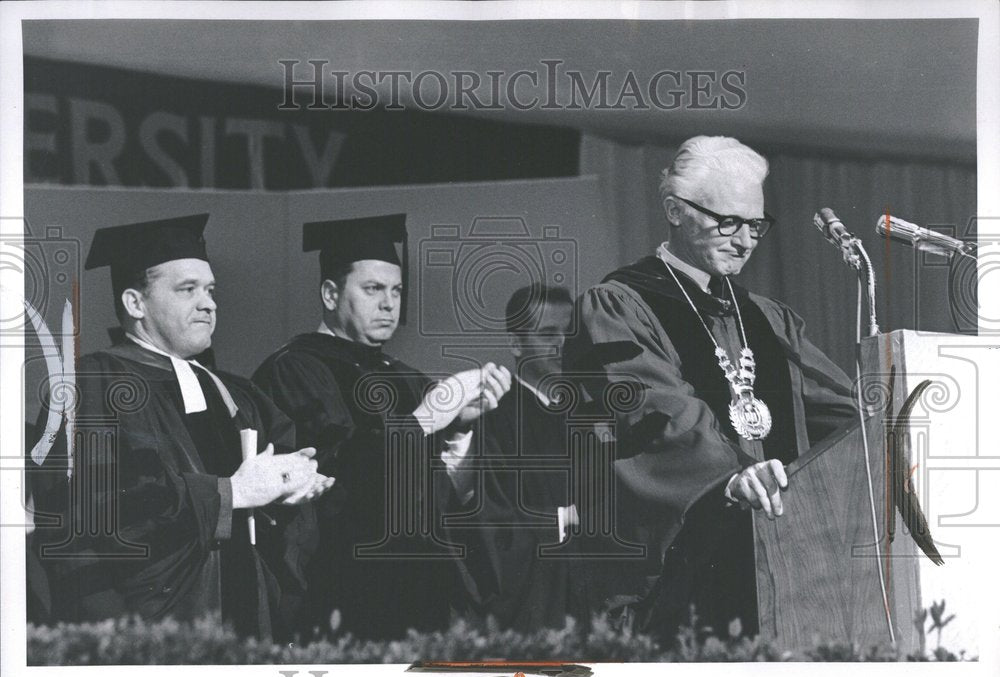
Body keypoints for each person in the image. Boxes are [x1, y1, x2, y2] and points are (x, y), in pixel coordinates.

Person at [565, 136, 856, 640]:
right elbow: (655, 413)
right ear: (675, 211)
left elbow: (846, 411)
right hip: (678, 571)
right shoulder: (619, 306)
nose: (744, 240)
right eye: (728, 221)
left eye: (755, 225)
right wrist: (729, 476)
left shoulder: (768, 319)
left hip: (782, 565)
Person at [29, 214, 334, 641]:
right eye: (187, 289)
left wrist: (294, 484)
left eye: (210, 290)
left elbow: (279, 485)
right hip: (151, 632)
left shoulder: (236, 393)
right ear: (136, 304)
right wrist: (232, 493)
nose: (209, 304)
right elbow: (89, 518)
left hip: (246, 618)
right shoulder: (90, 386)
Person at [253, 213, 511, 640]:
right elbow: (341, 468)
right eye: (373, 289)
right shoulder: (295, 369)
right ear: (331, 293)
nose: (389, 303)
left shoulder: (407, 377)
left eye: (396, 291)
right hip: (344, 587)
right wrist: (428, 418)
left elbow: (446, 496)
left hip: (424, 590)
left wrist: (459, 431)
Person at [455, 283, 592, 632]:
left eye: (568, 333)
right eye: (548, 333)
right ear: (516, 343)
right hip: (533, 605)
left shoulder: (589, 412)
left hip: (593, 595)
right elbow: (489, 521)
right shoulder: (492, 417)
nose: (561, 344)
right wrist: (568, 518)